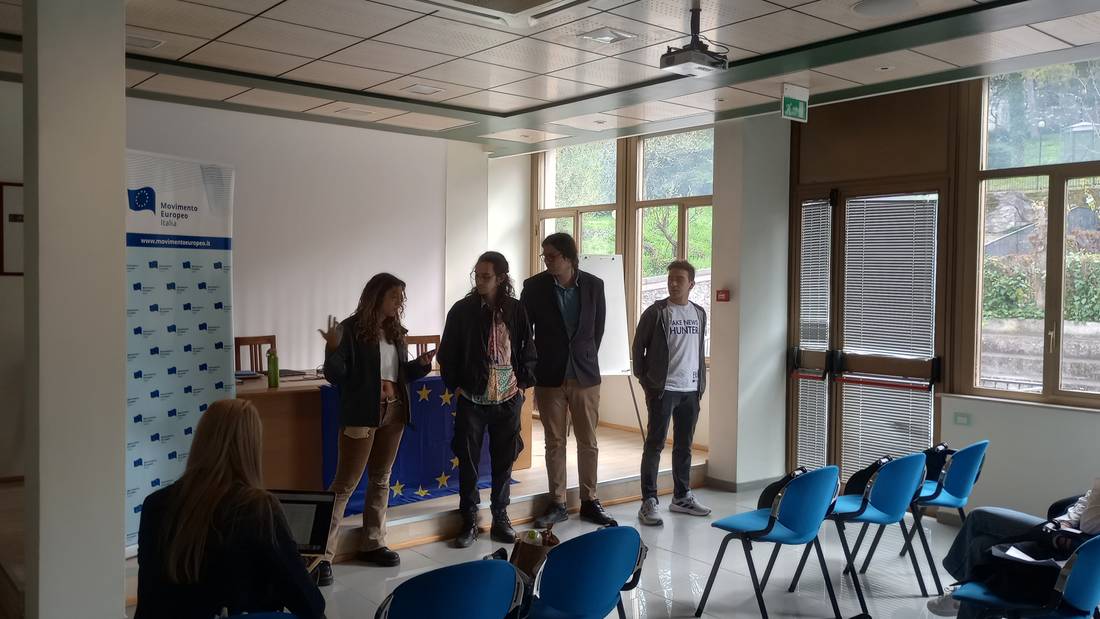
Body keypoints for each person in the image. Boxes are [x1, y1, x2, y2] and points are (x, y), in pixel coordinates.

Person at [135, 399, 325, 619]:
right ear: (251, 447)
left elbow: (148, 598)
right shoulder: (258, 509)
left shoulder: (155, 504)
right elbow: (310, 604)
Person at [318, 273, 434, 582]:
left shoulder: (396, 332)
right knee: (344, 485)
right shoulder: (349, 329)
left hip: (394, 410)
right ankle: (321, 556)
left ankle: (372, 543)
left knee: (381, 478)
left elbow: (400, 375)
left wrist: (421, 366)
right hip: (361, 413)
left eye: (401, 297)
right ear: (377, 296)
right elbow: (336, 376)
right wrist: (332, 348)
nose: (399, 302)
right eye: (394, 296)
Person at [438, 251, 536, 548]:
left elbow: (527, 350)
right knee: (468, 460)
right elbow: (447, 354)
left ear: (501, 278)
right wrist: (456, 386)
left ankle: (500, 516)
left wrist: (523, 386)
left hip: (508, 396)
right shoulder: (462, 310)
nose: (479, 281)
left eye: (486, 276)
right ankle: (469, 518)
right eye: (477, 275)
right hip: (472, 397)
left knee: (504, 459)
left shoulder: (516, 309)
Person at [521, 232, 615, 528]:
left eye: (552, 256)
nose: (547, 261)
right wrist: (533, 367)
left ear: (569, 257)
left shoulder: (594, 285)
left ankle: (590, 500)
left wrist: (584, 357)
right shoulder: (534, 287)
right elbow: (525, 333)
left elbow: (597, 330)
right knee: (554, 441)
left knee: (588, 441)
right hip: (549, 374)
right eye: (544, 256)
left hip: (584, 374)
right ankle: (558, 502)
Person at [927, 478, 1100, 617]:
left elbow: (1090, 524)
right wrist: (1063, 522)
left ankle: (969, 588)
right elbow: (1086, 499)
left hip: (1082, 552)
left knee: (981, 544)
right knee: (979, 521)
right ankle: (968, 586)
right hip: (1065, 530)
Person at [632, 260, 711, 526]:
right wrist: (647, 381)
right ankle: (649, 500)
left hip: (691, 390)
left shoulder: (699, 313)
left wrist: (700, 384)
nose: (673, 283)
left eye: (680, 279)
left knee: (684, 446)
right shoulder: (656, 312)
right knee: (655, 444)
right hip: (663, 390)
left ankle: (681, 496)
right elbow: (638, 348)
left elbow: (697, 350)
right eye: (670, 279)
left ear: (691, 284)